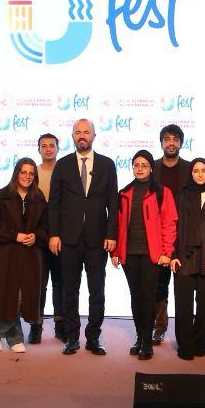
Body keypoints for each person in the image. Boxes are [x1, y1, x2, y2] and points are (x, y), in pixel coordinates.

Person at [47, 119, 117, 356]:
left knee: (97, 290)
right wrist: (54, 234)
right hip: (68, 239)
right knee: (70, 290)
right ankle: (71, 337)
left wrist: (111, 234)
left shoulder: (107, 164)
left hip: (97, 239)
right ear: (73, 137)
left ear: (94, 136)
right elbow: (54, 204)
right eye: (78, 132)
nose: (82, 136)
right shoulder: (63, 164)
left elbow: (113, 203)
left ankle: (93, 337)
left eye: (86, 132)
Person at [113, 151, 178, 360]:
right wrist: (115, 251)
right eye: (136, 165)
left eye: (144, 165)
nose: (140, 168)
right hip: (129, 253)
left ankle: (148, 342)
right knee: (135, 296)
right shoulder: (124, 193)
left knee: (147, 296)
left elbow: (169, 223)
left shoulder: (162, 193)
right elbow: (118, 225)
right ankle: (140, 338)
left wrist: (167, 252)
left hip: (153, 254)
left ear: (151, 168)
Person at [0, 157, 49, 354]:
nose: (27, 176)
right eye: (23, 172)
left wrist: (36, 236)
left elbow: (47, 226)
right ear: (16, 173)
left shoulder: (39, 197)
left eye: (31, 173)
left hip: (30, 254)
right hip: (5, 253)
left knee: (23, 297)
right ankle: (14, 338)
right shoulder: (1, 196)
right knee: (10, 295)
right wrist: (15, 236)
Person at [171, 159, 205, 360]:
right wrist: (173, 255)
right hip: (184, 257)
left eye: (203, 170)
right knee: (183, 306)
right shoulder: (181, 195)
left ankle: (200, 344)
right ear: (191, 173)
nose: (200, 174)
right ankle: (185, 346)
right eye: (196, 171)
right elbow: (174, 226)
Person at [152, 124, 190, 346]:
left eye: (175, 139)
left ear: (181, 143)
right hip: (159, 235)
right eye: (167, 139)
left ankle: (185, 330)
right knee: (159, 285)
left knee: (184, 286)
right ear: (161, 143)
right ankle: (159, 326)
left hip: (185, 233)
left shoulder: (190, 168)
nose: (171, 143)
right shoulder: (152, 167)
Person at [33, 132, 63, 344]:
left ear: (58, 149)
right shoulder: (32, 172)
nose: (48, 149)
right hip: (38, 237)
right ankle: (36, 326)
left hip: (60, 235)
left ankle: (61, 325)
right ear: (39, 149)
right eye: (44, 146)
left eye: (52, 145)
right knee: (39, 284)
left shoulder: (66, 170)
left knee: (60, 283)